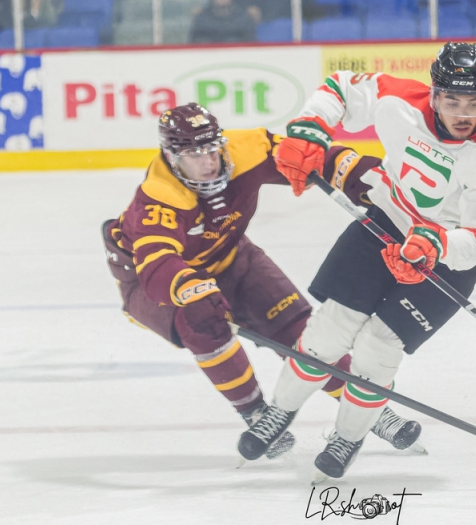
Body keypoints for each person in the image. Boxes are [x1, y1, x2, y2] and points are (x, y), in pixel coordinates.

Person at [238, 42, 476, 479]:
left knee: (377, 349)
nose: (464, 113)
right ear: (434, 95)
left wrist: (435, 244)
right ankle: (280, 411)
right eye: (452, 100)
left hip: (446, 254)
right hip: (385, 222)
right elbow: (340, 87)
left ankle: (348, 437)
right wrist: (311, 127)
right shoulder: (400, 101)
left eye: (475, 101)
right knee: (328, 333)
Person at [102, 103, 422, 460]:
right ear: (172, 157)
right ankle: (255, 412)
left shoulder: (248, 149)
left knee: (298, 327)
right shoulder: (159, 196)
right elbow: (157, 265)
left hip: (229, 256)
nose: (208, 163)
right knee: (201, 323)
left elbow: (310, 158)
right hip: (146, 278)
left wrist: (367, 179)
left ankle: (370, 410)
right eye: (194, 155)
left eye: (211, 150)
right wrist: (191, 290)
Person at [188, 0, 258, 44]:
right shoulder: (202, 18)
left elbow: (250, 43)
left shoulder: (242, 18)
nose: (219, 1)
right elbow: (194, 41)